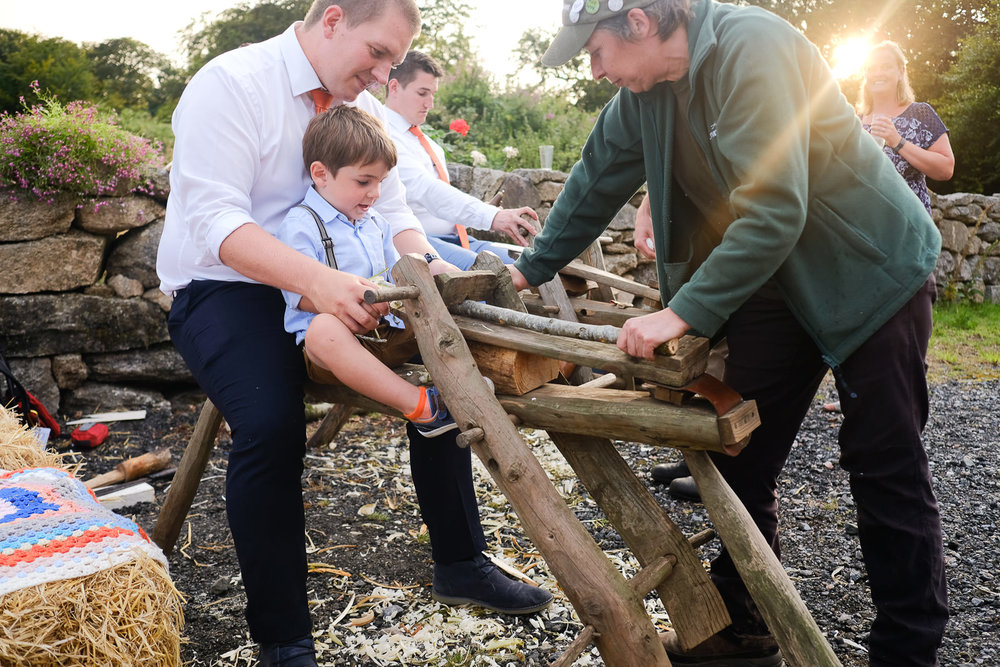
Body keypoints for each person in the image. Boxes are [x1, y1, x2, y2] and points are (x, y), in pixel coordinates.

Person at [510, 1, 947, 665]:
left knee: (884, 465)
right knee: (737, 448)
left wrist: (680, 314)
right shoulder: (646, 91)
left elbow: (774, 208)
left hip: (868, 269)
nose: (594, 69)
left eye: (594, 50)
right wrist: (530, 270)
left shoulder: (754, 48)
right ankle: (746, 623)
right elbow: (597, 175)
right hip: (776, 279)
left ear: (638, 20)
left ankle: (906, 651)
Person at [156, 2, 550, 665]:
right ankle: (283, 637)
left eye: (393, 62)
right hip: (226, 287)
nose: (382, 72)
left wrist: (423, 274)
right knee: (271, 420)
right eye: (377, 52)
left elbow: (396, 213)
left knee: (444, 369)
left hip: (349, 283)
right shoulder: (232, 83)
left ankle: (460, 560)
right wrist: (316, 281)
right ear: (332, 19)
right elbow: (214, 224)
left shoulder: (362, 110)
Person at [278, 105, 479, 438]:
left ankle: (473, 376)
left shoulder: (377, 224)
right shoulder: (301, 225)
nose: (375, 193)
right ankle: (419, 406)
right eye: (363, 181)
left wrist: (410, 289)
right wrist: (348, 300)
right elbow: (297, 294)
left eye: (380, 182)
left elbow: (396, 273)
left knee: (439, 312)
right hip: (337, 348)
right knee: (323, 330)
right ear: (321, 174)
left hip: (387, 331)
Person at [382, 50, 539, 270]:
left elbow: (439, 200)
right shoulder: (382, 135)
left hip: (461, 240)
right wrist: (492, 216)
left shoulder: (429, 144)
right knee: (495, 275)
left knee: (530, 265)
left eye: (433, 94)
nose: (431, 103)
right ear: (395, 87)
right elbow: (425, 190)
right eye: (422, 93)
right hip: (421, 243)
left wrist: (483, 210)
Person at [860, 40, 955, 215]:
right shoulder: (855, 122)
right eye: (871, 68)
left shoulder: (920, 114)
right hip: (864, 226)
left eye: (886, 66)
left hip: (909, 225)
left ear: (901, 72)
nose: (878, 73)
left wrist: (897, 142)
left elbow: (946, 169)